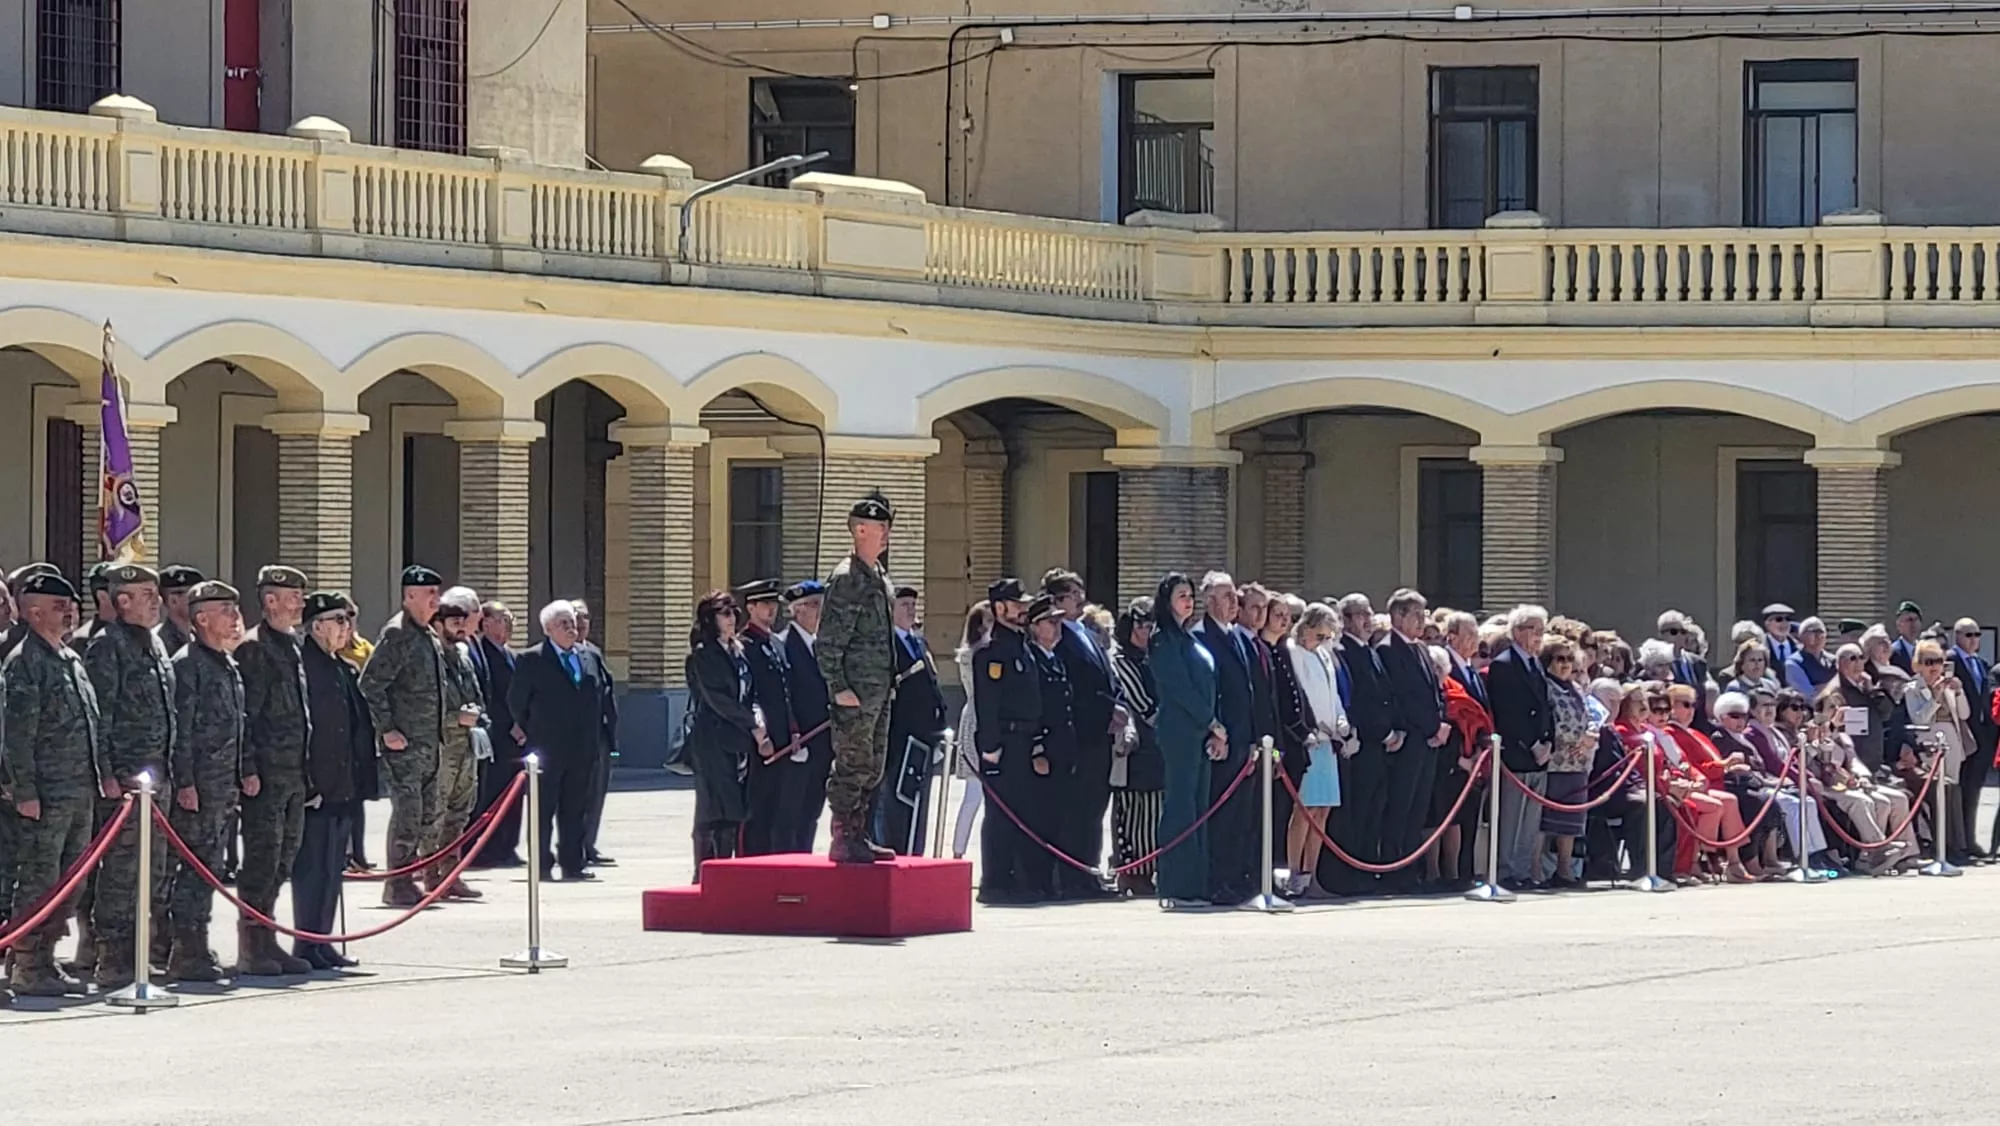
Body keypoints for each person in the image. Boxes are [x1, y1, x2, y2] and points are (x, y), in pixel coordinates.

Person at [3, 572, 115, 1001]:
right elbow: (17, 735)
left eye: (70, 606)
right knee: (38, 880)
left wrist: (102, 773)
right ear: (33, 612)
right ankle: (28, 963)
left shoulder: (69, 658)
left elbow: (92, 723)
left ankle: (44, 957)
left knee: (71, 882)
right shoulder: (25, 662)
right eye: (57, 606)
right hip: (46, 795)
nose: (69, 612)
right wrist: (25, 791)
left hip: (79, 791)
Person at [82, 563, 175, 990]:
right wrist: (108, 774)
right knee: (121, 872)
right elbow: (101, 717)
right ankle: (112, 957)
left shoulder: (152, 645)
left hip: (157, 776)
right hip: (125, 781)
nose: (156, 602)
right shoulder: (108, 646)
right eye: (146, 595)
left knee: (151, 871)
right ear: (121, 602)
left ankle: (141, 954)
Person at [161, 581, 245, 983]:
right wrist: (186, 783)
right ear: (201, 619)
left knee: (210, 868)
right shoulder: (187, 664)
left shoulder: (226, 663)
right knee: (193, 870)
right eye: (225, 609)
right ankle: (185, 950)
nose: (234, 617)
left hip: (222, 786)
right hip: (198, 789)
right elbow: (180, 731)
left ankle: (196, 944)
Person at [235, 564, 315, 977]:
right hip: (264, 775)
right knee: (262, 861)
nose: (300, 602)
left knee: (283, 860)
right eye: (292, 595)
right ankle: (251, 946)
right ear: (269, 600)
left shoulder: (291, 644)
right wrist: (247, 767)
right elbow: (246, 715)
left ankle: (268, 938)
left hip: (292, 773)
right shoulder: (254, 648)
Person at [816, 491, 900, 864]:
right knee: (852, 762)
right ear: (860, 529)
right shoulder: (848, 578)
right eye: (880, 526)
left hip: (878, 689)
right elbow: (829, 641)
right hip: (855, 691)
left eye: (887, 526)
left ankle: (860, 833)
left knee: (873, 763)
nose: (886, 533)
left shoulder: (879, 576)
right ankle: (844, 837)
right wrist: (839, 688)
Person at [358, 565, 447, 909]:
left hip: (429, 744)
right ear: (410, 595)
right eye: (430, 595)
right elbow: (370, 684)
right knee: (408, 815)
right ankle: (397, 884)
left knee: (428, 815)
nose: (436, 601)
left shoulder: (427, 634)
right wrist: (387, 729)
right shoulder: (398, 634)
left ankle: (413, 877)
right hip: (405, 746)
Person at [296, 591, 373, 971]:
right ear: (318, 626)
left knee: (332, 868)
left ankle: (324, 940)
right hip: (317, 787)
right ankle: (307, 941)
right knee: (312, 868)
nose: (347, 628)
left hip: (343, 784)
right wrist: (307, 782)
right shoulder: (304, 666)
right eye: (339, 621)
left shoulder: (342, 668)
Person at [508, 600, 611, 881]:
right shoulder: (532, 659)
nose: (572, 628)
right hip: (547, 747)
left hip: (583, 746)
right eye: (564, 624)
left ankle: (573, 862)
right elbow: (517, 702)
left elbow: (601, 695)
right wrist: (534, 730)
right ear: (549, 629)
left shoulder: (589, 656)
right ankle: (541, 865)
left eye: (573, 622)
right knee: (543, 809)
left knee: (576, 808)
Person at [1147, 572, 1224, 910]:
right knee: (1181, 805)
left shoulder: (1190, 639)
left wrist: (1213, 726)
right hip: (1180, 731)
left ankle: (1197, 883)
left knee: (1198, 806)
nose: (1188, 601)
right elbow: (1179, 688)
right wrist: (1210, 722)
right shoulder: (1162, 639)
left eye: (1190, 595)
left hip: (1201, 733)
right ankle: (1176, 885)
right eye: (1181, 595)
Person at [1043, 569, 1122, 897]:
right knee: (1076, 811)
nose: (1080, 599)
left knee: (1094, 810)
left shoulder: (1085, 632)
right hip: (1081, 734)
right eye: (1072, 594)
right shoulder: (1059, 637)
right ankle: (1072, 878)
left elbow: (1104, 676)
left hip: (1101, 735)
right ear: (1057, 600)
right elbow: (1077, 687)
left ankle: (1088, 873)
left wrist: (1119, 704)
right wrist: (1107, 710)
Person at [971, 579, 1040, 904]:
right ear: (1000, 608)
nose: (1023, 609)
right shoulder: (991, 652)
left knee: (1024, 810)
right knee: (1001, 815)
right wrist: (990, 748)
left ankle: (1020, 877)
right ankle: (996, 881)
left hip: (1025, 740)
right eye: (1016, 604)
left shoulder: (1021, 646)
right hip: (1005, 742)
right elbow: (988, 704)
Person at [684, 590, 760, 878]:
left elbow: (749, 692)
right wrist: (752, 722)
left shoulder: (738, 650)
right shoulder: (704, 655)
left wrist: (757, 717)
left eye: (733, 613)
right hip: (712, 741)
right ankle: (704, 871)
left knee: (734, 809)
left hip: (737, 740)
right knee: (713, 807)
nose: (731, 619)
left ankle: (726, 870)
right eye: (724, 614)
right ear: (710, 619)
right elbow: (718, 700)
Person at [1193, 571, 1258, 905]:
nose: (1235, 602)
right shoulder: (1201, 638)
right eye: (1227, 596)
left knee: (1240, 816)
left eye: (1235, 595)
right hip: (1219, 741)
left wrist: (1258, 740)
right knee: (1219, 815)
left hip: (1244, 740)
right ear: (1209, 601)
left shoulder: (1239, 637)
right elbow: (1207, 691)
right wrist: (1214, 730)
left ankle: (1235, 877)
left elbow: (1252, 691)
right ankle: (1215, 880)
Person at [1327, 592, 1397, 896]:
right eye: (1360, 615)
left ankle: (1369, 868)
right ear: (1346, 620)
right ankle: (1351, 873)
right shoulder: (1345, 652)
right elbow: (1360, 702)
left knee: (1374, 811)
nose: (1368, 620)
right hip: (1363, 745)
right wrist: (1380, 732)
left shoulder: (1369, 651)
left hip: (1381, 747)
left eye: (1370, 613)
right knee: (1357, 812)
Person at [1804, 689, 1918, 874]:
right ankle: (1874, 850)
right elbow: (1813, 756)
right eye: (1832, 707)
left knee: (1897, 798)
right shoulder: (1813, 731)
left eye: (1840, 706)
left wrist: (1862, 777)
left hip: (1847, 782)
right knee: (1867, 801)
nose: (1838, 710)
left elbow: (1853, 760)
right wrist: (1831, 725)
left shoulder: (1843, 736)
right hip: (1824, 785)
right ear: (1819, 712)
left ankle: (1905, 856)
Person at [1377, 588, 1444, 892]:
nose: (1422, 621)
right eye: (1416, 614)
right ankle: (1394, 870)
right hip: (1409, 740)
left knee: (1418, 807)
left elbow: (1433, 693)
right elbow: (1400, 697)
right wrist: (1427, 727)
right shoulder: (1388, 649)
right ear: (1397, 616)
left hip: (1429, 740)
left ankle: (1410, 869)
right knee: (1400, 806)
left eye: (1424, 614)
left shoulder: (1420, 649)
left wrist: (1441, 723)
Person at [1486, 605, 1554, 890]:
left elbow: (1544, 706)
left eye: (1541, 630)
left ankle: (1523, 869)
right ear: (1516, 632)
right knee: (1512, 815)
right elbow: (1509, 712)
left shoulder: (1535, 663)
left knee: (1530, 819)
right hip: (1517, 751)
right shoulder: (1504, 665)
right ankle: (1505, 870)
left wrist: (1549, 741)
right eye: (1533, 630)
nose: (1539, 636)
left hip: (1541, 754)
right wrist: (1533, 744)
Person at [1286, 601, 1348, 897]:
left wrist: (1341, 719)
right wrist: (1314, 725)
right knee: (1304, 808)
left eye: (1328, 637)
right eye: (1320, 636)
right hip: (1309, 739)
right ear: (1306, 628)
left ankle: (1312, 875)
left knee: (1322, 809)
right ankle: (1294, 873)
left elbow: (1331, 693)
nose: (1324, 642)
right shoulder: (1293, 652)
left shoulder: (1324, 656)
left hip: (1329, 741)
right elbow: (1300, 694)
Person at [880, 584, 946, 857]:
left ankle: (914, 854)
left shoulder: (917, 642)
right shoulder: (887, 644)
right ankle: (897, 853)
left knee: (919, 803)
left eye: (912, 605)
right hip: (901, 736)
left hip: (924, 736)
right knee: (898, 802)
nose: (910, 610)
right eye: (903, 605)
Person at [736, 579, 801, 857]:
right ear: (750, 607)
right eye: (764, 604)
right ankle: (751, 863)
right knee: (755, 810)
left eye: (774, 603)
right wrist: (760, 735)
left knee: (778, 808)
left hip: (783, 740)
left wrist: (794, 730)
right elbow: (748, 696)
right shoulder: (744, 645)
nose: (771, 609)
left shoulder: (775, 643)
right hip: (759, 743)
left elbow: (786, 693)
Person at [429, 589, 487, 900]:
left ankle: (451, 874)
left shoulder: (463, 655)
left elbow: (475, 693)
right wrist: (455, 718)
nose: (461, 629)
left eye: (464, 622)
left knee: (459, 813)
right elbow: (424, 705)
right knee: (435, 814)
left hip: (466, 745)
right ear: (438, 624)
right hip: (441, 745)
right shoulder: (429, 655)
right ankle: (429, 874)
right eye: (454, 622)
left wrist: (478, 715)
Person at [1108, 597, 1163, 897]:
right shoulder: (1121, 662)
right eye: (1141, 625)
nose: (1147, 632)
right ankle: (1131, 870)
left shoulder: (1150, 660)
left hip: (1157, 751)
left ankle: (1149, 869)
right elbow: (1145, 706)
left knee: (1154, 811)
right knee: (1133, 813)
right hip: (1135, 750)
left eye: (1150, 626)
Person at [1903, 639, 1973, 864]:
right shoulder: (1912, 688)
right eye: (1929, 661)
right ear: (1918, 665)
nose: (1934, 666)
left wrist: (1959, 692)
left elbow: (1964, 715)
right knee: (1937, 792)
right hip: (1929, 743)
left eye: (1939, 661)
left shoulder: (1949, 685)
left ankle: (1955, 844)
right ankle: (1937, 843)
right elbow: (1919, 718)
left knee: (1953, 790)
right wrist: (1934, 696)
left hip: (1952, 739)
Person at [468, 601, 524, 868]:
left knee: (516, 795)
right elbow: (490, 698)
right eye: (503, 619)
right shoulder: (482, 654)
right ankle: (489, 848)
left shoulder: (510, 655)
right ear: (486, 622)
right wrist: (508, 725)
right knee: (493, 793)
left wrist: (524, 724)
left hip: (518, 739)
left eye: (510, 618)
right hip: (498, 737)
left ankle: (508, 846)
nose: (509, 624)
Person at [780, 581, 833, 852]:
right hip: (800, 742)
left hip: (823, 741)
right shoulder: (784, 645)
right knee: (792, 813)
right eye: (816, 606)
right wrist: (793, 731)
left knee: (812, 812)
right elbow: (785, 695)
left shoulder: (819, 646)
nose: (821, 613)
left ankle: (805, 857)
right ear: (798, 610)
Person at [1539, 637, 1595, 890]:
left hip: (1578, 763)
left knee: (1571, 819)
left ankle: (1565, 868)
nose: (1565, 665)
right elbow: (1551, 720)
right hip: (1556, 762)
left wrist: (1590, 737)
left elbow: (1590, 716)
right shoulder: (1545, 686)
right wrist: (1573, 739)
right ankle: (1536, 870)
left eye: (1569, 659)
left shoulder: (1576, 688)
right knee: (1547, 818)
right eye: (1560, 659)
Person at [571, 599, 619, 870]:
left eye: (585, 617)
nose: (581, 623)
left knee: (597, 792)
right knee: (578, 793)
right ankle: (574, 846)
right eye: (575, 617)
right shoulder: (563, 655)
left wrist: (613, 736)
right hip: (576, 737)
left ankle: (589, 843)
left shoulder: (594, 652)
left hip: (600, 735)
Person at [1947, 618, 1996, 857]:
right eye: (1969, 635)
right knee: (1959, 790)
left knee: (1975, 789)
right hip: (1960, 734)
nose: (1974, 639)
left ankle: (1971, 838)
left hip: (1981, 736)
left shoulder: (1981, 664)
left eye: (1977, 635)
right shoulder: (1950, 660)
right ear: (1957, 636)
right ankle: (1958, 842)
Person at [950, 602, 994, 861]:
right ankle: (958, 851)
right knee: (973, 794)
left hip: (988, 720)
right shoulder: (972, 655)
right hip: (976, 722)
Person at [154, 563, 204, 658]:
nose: (201, 603)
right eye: (194, 596)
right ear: (173, 601)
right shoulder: (158, 643)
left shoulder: (199, 637)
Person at [1783, 617, 1837, 696]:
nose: (1818, 636)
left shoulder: (1834, 660)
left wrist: (1820, 687)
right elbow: (1807, 694)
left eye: (1821, 632)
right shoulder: (1794, 662)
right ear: (1802, 636)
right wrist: (1833, 686)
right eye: (1813, 632)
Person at [1761, 603, 1799, 669]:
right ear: (1767, 623)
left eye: (1787, 619)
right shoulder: (1760, 647)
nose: (1784, 623)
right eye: (1779, 619)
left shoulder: (1799, 647)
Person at [1890, 602, 1924, 674]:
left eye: (1916, 619)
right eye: (1909, 620)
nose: (1913, 624)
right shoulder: (1893, 652)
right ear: (1899, 625)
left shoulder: (1924, 649)